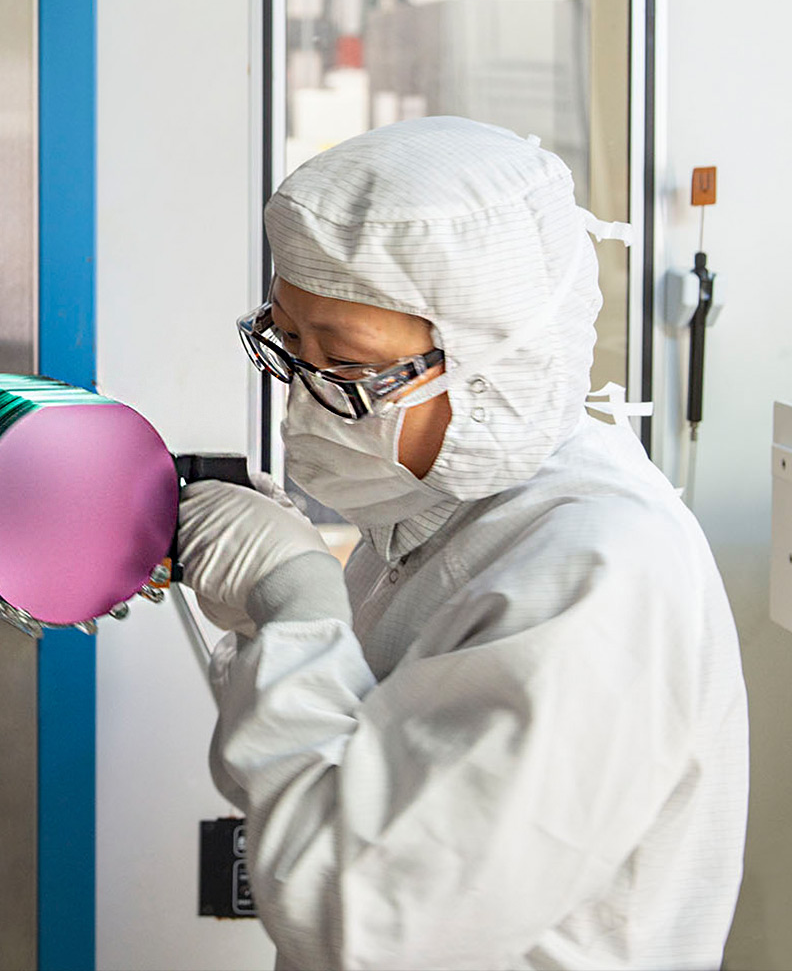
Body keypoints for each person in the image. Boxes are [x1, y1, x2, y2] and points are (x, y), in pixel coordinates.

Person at [174, 116, 748, 969]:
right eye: (289, 345)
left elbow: (365, 921)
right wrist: (276, 619)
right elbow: (374, 760)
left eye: (349, 366)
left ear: (491, 367)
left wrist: (296, 603)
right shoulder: (443, 505)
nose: (304, 401)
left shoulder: (602, 573)